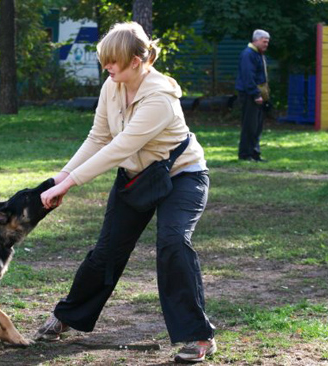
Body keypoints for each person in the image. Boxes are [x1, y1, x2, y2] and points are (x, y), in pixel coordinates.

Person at [37, 22, 216, 363]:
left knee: (174, 242)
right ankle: (67, 317)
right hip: (137, 178)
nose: (107, 67)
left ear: (137, 60)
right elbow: (98, 137)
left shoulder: (160, 97)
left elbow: (120, 147)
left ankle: (198, 336)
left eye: (113, 61)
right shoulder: (112, 85)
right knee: (107, 251)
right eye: (105, 61)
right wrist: (59, 178)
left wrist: (70, 183)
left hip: (182, 177)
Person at [235, 29, 271, 162]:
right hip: (249, 95)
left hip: (258, 94)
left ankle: (255, 153)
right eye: (264, 41)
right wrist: (256, 94)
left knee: (257, 126)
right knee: (249, 125)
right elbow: (248, 77)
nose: (266, 44)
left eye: (267, 42)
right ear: (256, 40)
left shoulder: (258, 54)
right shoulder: (248, 54)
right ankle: (245, 154)